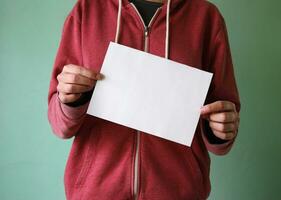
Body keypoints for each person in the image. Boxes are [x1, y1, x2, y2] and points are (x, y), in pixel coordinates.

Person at [47, 0, 241, 199]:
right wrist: (71, 101)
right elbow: (59, 124)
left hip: (179, 191)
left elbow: (223, 114)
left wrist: (220, 130)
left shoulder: (206, 18)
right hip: (95, 191)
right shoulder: (87, 10)